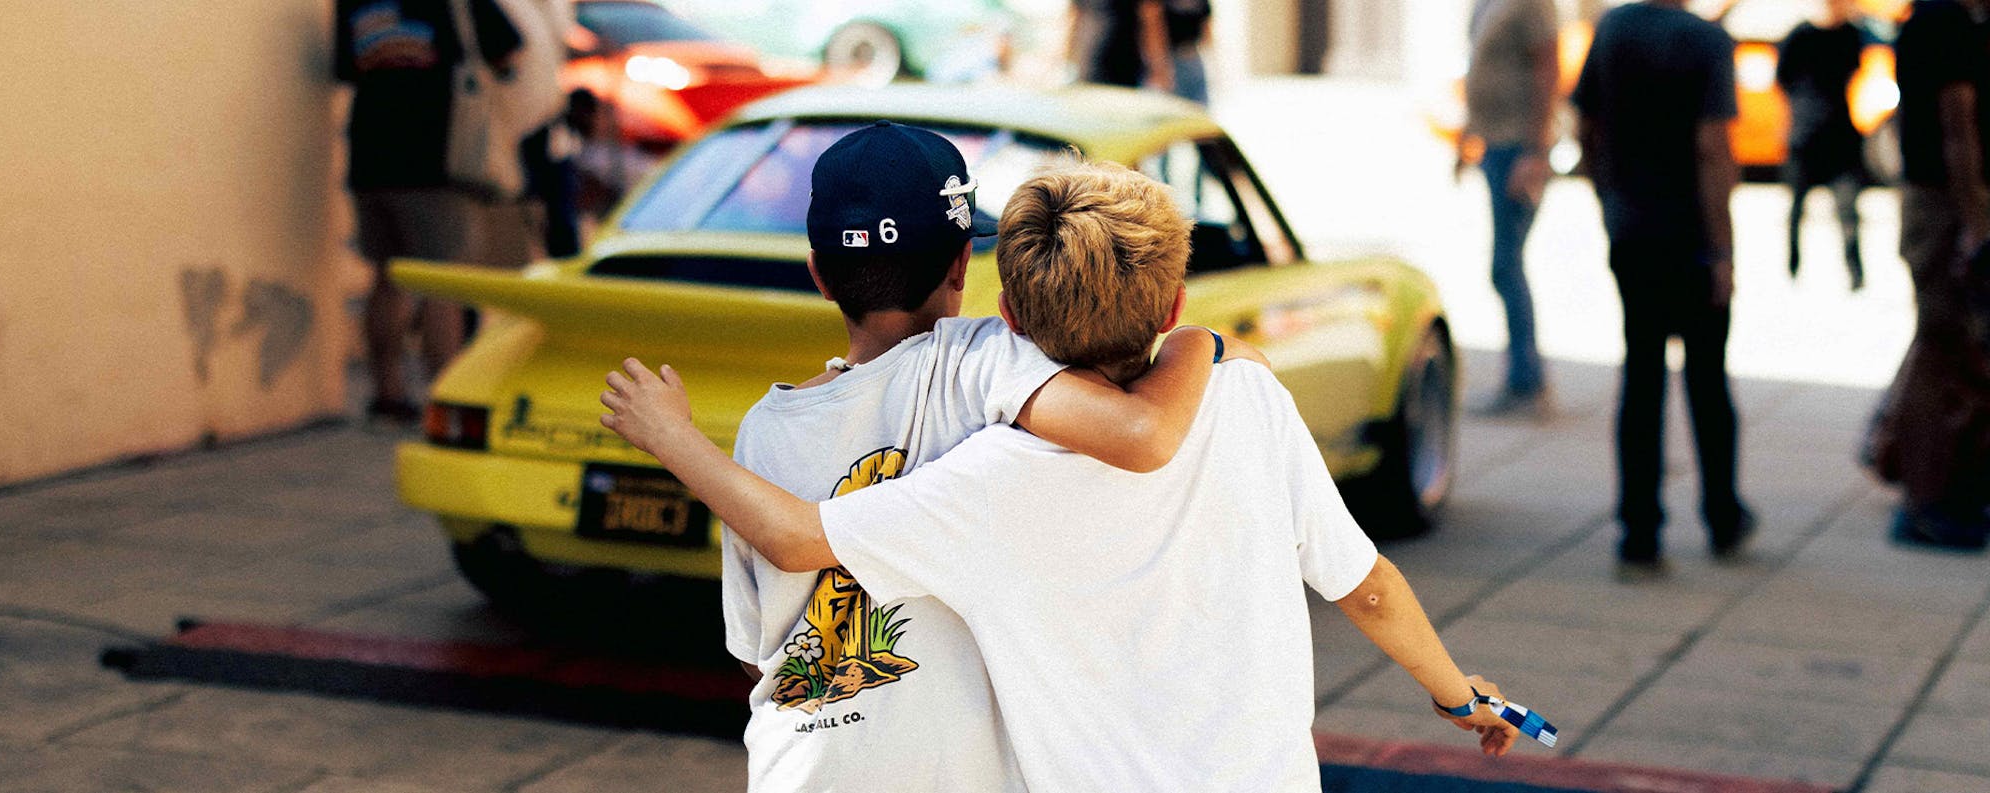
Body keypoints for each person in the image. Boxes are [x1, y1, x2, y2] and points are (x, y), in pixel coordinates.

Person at [602, 161, 1536, 789]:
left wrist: (671, 436)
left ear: (1004, 311)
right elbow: (1366, 587)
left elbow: (803, 536)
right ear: (1172, 301)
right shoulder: (1244, 399)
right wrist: (1457, 692)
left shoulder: (986, 476)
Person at [680, 122, 1252, 792]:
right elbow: (1140, 430)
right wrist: (1202, 342)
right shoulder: (982, 362)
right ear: (960, 265)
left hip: (801, 769)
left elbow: (755, 655)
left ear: (819, 275)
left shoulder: (764, 428)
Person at [1572, 0, 1753, 578]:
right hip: (1691, 238)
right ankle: (1721, 514)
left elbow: (1587, 128)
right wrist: (1722, 249)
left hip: (1634, 232)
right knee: (1707, 379)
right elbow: (1712, 148)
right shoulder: (1705, 41)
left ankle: (1639, 529)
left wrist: (1610, 203)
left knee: (1642, 376)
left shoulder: (1613, 30)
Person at [333, 0, 521, 422]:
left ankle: (388, 393)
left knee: (388, 279)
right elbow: (509, 51)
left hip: (371, 157)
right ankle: (445, 400)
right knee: (443, 283)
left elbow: (345, 68)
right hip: (438, 159)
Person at [1866, 0, 1990, 550]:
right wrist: (1979, 225)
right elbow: (1957, 131)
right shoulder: (1944, 23)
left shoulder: (1940, 20)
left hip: (1944, 203)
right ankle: (1925, 496)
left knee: (1948, 346)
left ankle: (1925, 478)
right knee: (1943, 346)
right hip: (1944, 205)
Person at [1460, 0, 1561, 417]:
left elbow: (1548, 70)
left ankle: (1526, 380)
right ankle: (1523, 375)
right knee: (1505, 264)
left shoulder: (1532, 4)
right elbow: (1481, 66)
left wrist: (1536, 151)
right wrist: (1467, 133)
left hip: (1518, 147)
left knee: (1506, 264)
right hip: (1494, 143)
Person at [1776, 0, 1871, 290]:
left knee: (1848, 211)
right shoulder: (1799, 35)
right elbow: (1783, 80)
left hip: (1839, 136)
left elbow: (1855, 74)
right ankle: (1792, 266)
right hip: (1805, 137)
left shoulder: (1850, 34)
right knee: (1795, 210)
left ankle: (1855, 272)